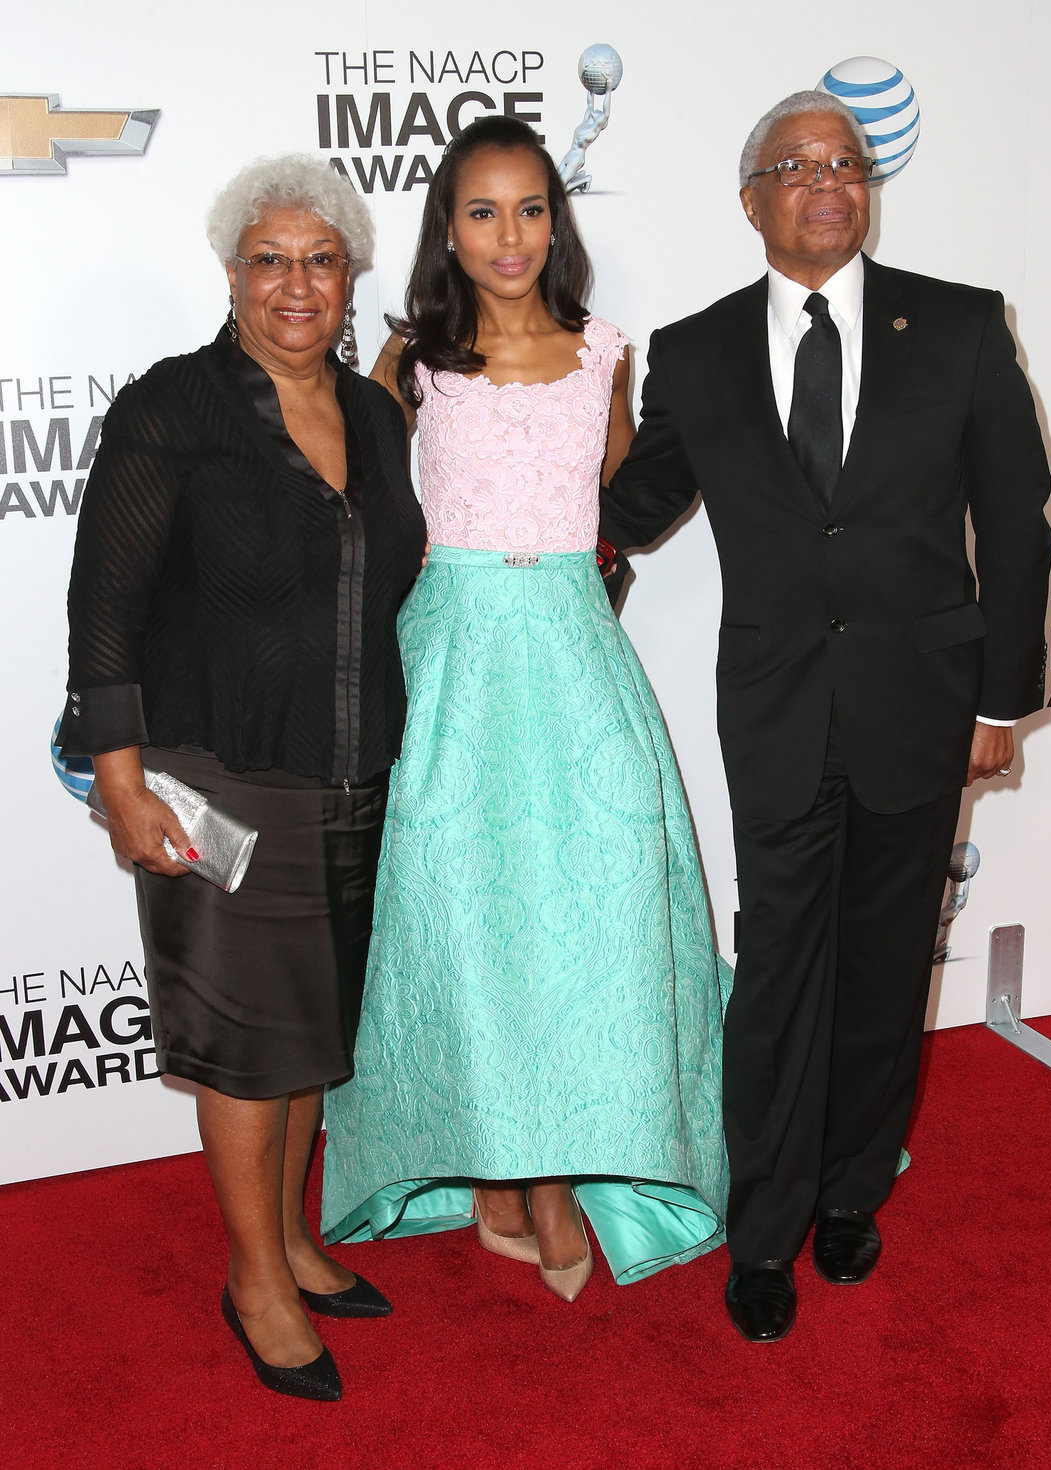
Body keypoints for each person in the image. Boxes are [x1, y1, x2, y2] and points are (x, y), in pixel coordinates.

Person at [600, 91, 1051, 1341]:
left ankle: (852, 1192)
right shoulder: (695, 351)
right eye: (794, 165)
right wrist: (566, 410)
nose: (824, 182)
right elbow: (631, 512)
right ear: (749, 199)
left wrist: (1000, 698)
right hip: (778, 711)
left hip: (924, 705)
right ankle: (762, 1232)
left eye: (845, 163)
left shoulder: (957, 326)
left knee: (884, 968)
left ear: (868, 189)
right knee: (777, 978)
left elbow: (1016, 523)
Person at [321, 116, 729, 1301]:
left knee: (589, 920)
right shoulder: (410, 357)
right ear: (446, 229)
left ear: (557, 220)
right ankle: (489, 1169)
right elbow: (366, 511)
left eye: (531, 208)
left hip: (570, 652)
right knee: (457, 919)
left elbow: (609, 508)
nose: (510, 235)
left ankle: (553, 1178)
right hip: (449, 656)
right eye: (482, 211)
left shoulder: (603, 352)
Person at [57, 155, 427, 1398]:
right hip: (217, 772)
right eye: (270, 260)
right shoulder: (173, 406)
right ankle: (254, 1278)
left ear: (349, 277)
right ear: (231, 275)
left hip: (352, 767)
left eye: (320, 261)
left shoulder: (375, 414)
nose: (296, 284)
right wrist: (119, 782)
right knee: (245, 1043)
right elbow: (103, 607)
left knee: (309, 1035)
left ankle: (295, 1243)